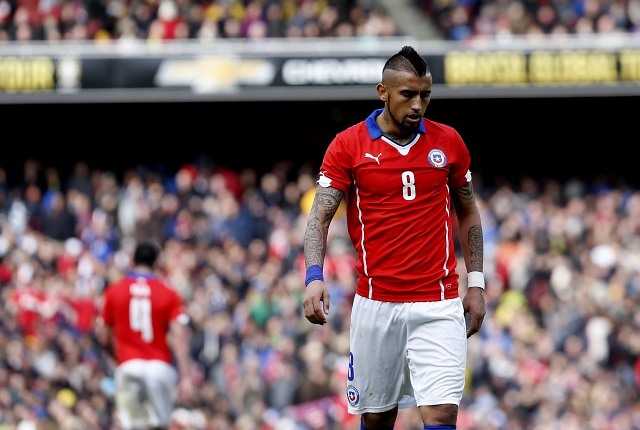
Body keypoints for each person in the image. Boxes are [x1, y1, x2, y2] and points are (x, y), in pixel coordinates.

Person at [302, 45, 486, 430]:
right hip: (376, 303)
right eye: (408, 94)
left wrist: (477, 283)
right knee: (378, 418)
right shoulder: (348, 145)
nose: (418, 104)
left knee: (441, 414)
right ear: (382, 92)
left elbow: (467, 211)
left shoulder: (448, 141)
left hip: (438, 302)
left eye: (426, 95)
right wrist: (314, 275)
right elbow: (319, 218)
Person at [97, 241, 195, 430]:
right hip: (160, 368)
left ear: (132, 261)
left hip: (129, 366)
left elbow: (103, 337)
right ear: (157, 263)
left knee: (129, 425)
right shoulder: (169, 293)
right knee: (159, 425)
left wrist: (119, 358)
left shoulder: (114, 291)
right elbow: (180, 337)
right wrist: (186, 376)